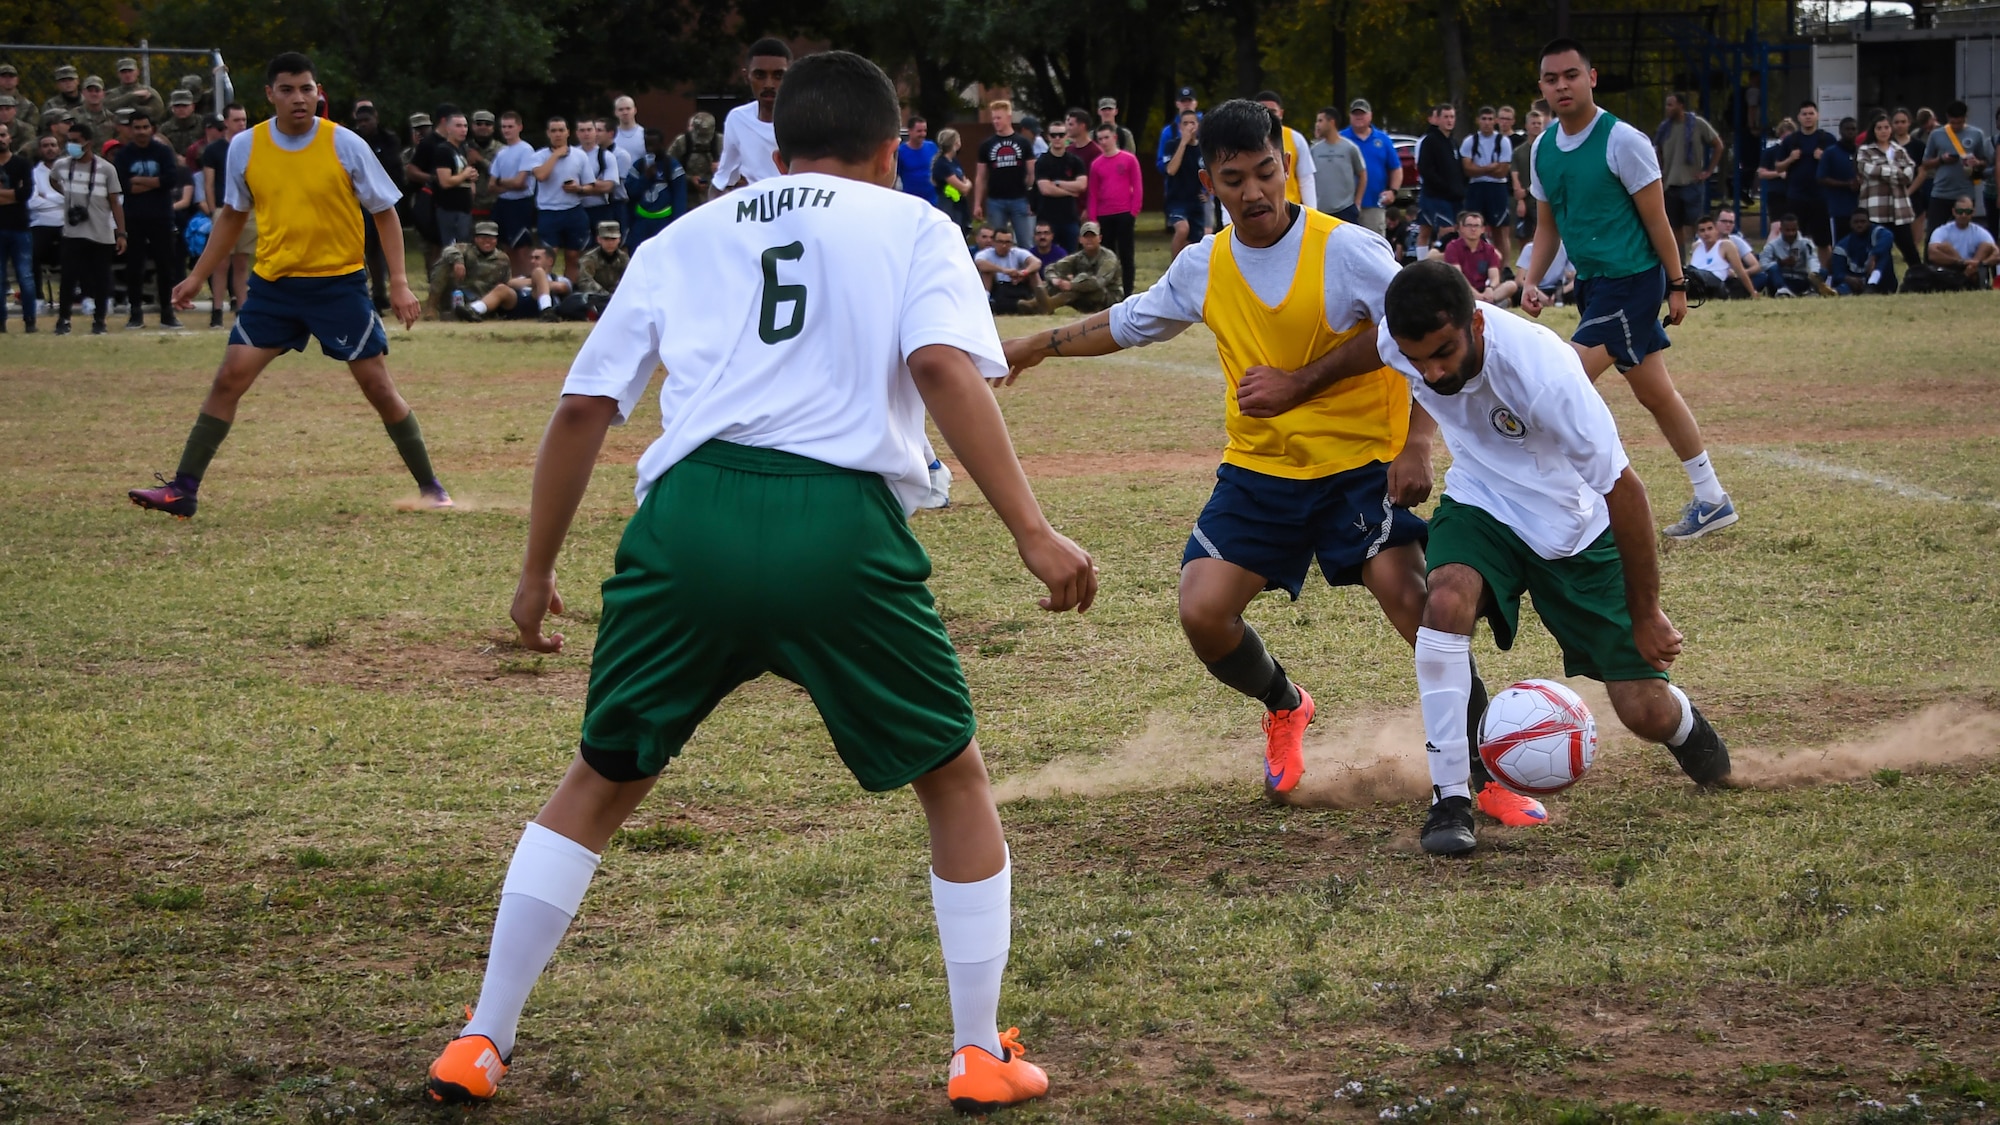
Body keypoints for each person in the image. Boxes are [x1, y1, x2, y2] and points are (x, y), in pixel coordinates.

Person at [423, 51, 1084, 1116]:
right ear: (889, 151)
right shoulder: (913, 223)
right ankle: (976, 1052)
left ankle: (478, 1037)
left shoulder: (681, 237)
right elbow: (942, 368)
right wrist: (1032, 531)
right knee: (952, 780)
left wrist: (535, 569)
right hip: (836, 529)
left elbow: (585, 409)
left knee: (600, 778)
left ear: (772, 153)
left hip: (686, 522)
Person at [996, 99, 1446, 809]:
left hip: (1363, 464)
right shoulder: (1203, 265)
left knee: (1411, 599)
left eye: (1267, 172)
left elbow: (1422, 331)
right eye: (1235, 179)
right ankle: (1286, 702)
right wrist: (1029, 347)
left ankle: (1475, 762)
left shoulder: (1349, 250)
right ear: (1211, 183)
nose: (1255, 192)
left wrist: (1419, 441)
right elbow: (1127, 321)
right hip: (1262, 471)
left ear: (1286, 166)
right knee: (1202, 611)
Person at [1378, 260, 1730, 857]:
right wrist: (1417, 443)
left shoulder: (1544, 375)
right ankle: (1451, 797)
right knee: (1444, 603)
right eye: (1420, 359)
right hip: (1483, 501)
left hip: (1574, 526)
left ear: (1478, 324)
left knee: (1644, 712)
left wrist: (1647, 613)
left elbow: (1627, 492)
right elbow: (1412, 381)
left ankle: (1690, 733)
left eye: (1444, 352)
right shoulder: (1400, 342)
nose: (1433, 371)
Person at [127, 52, 447, 519]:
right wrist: (197, 276)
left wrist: (399, 282)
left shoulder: (345, 143)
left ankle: (431, 487)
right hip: (274, 288)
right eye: (288, 89)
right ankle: (183, 489)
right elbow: (233, 216)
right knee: (228, 379)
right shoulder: (246, 146)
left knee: (378, 387)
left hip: (338, 287)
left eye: (307, 89)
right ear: (270, 95)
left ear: (318, 92)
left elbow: (384, 213)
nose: (300, 98)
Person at [1521, 38, 1736, 540]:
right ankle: (1712, 499)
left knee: (1561, 386)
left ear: (1591, 77)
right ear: (1542, 88)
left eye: (1571, 75)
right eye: (1552, 79)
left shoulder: (1624, 140)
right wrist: (1532, 279)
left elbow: (1657, 219)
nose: (1562, 85)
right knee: (1656, 394)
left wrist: (1678, 283)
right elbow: (1548, 226)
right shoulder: (1542, 149)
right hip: (1594, 287)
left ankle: (1554, 509)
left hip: (1634, 284)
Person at [113, 111, 186, 328]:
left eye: (145, 127)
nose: (141, 132)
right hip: (134, 217)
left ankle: (167, 312)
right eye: (137, 127)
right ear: (130, 129)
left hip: (161, 216)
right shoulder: (124, 154)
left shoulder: (163, 152)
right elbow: (123, 185)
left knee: (165, 266)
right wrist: (154, 182)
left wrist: (140, 181)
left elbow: (170, 180)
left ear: (152, 128)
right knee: (134, 266)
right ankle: (135, 313)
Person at [52, 123, 126, 335]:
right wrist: (68, 195)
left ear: (88, 142)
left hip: (100, 232)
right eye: (69, 140)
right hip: (72, 232)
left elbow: (115, 202)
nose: (71, 145)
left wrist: (121, 233)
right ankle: (63, 319)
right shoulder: (62, 165)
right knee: (68, 277)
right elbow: (53, 180)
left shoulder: (106, 169)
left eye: (76, 141)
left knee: (101, 278)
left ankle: (99, 320)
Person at [349, 103, 406, 310]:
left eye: (367, 121)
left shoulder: (389, 140)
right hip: (360, 202)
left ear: (376, 119)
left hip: (384, 198)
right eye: (360, 122)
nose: (363, 125)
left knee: (387, 245)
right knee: (369, 247)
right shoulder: (353, 140)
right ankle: (378, 291)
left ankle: (397, 288)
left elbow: (393, 169)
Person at [1653, 92, 1722, 262]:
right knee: (1674, 227)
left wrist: (1708, 171)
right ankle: (1680, 262)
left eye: (1671, 104)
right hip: (1670, 185)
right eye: (1667, 104)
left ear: (1681, 106)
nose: (1667, 108)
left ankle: (1699, 259)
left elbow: (1718, 145)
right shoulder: (1664, 128)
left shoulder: (1697, 124)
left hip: (1692, 183)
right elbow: (1658, 150)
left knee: (1696, 225)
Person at [715, 38, 789, 193]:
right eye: (760, 75)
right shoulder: (737, 119)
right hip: (758, 212)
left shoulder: (809, 119)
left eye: (778, 75)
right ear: (746, 76)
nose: (769, 84)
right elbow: (722, 182)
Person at [201, 103, 253, 325]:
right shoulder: (214, 150)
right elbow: (209, 183)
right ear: (227, 123)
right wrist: (214, 211)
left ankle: (242, 311)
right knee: (221, 263)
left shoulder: (253, 147)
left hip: (249, 210)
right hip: (224, 208)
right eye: (237, 120)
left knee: (242, 263)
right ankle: (217, 311)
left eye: (243, 119)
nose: (241, 124)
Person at [530, 116, 593, 279]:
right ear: (548, 134)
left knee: (573, 257)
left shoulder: (580, 156)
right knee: (547, 257)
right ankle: (546, 294)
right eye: (553, 131)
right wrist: (556, 154)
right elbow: (541, 176)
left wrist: (577, 188)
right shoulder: (539, 156)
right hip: (549, 212)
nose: (557, 134)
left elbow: (590, 185)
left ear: (568, 133)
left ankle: (569, 293)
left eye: (561, 130)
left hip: (573, 210)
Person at [1857, 112, 1921, 271]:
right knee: (1878, 247)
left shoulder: (1899, 150)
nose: (1883, 131)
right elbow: (1868, 170)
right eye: (1879, 128)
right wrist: (1895, 171)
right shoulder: (1865, 150)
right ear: (1874, 130)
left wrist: (1885, 172)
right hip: (1876, 208)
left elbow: (1909, 174)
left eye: (1886, 127)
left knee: (1908, 247)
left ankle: (1920, 276)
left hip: (1898, 207)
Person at [1777, 102, 1838, 265]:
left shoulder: (1828, 139)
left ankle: (1826, 276)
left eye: (1811, 113)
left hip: (1821, 197)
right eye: (1804, 114)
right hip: (1796, 196)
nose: (1808, 117)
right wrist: (1790, 159)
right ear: (1799, 117)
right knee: (1794, 239)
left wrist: (1824, 158)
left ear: (1817, 116)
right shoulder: (1791, 140)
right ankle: (1796, 273)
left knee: (1824, 241)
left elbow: (1838, 166)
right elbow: (1778, 167)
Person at [1084, 123, 1140, 297]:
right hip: (1104, 214)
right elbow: (1093, 193)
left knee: (1126, 254)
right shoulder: (1096, 165)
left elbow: (1137, 186)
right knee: (1107, 255)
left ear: (1114, 138)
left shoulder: (1129, 159)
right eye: (1100, 139)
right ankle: (1109, 291)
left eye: (1106, 137)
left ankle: (1128, 291)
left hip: (1124, 213)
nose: (1104, 142)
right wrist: (1093, 219)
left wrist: (1133, 212)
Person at [1921, 101, 1990, 236]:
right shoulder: (1936, 134)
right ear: (1947, 118)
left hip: (1965, 192)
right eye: (1953, 123)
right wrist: (1941, 159)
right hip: (1940, 192)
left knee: (1963, 233)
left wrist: (1977, 162)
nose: (1956, 126)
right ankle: (1931, 257)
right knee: (1934, 234)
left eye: (1959, 123)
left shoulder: (1976, 134)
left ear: (1965, 117)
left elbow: (1985, 162)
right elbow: (1925, 163)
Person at [973, 99, 1036, 247]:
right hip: (995, 200)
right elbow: (980, 176)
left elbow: (1032, 173)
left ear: (1008, 118)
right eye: (993, 118)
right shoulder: (986, 145)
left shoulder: (1023, 143)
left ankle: (1027, 270)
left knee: (1025, 242)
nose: (995, 121)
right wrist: (977, 204)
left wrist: (1031, 199)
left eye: (999, 118)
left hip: (1019, 199)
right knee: (996, 243)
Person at [1459, 106, 1514, 259]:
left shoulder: (1503, 141)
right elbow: (1467, 169)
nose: (1487, 123)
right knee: (1471, 228)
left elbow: (1503, 171)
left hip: (1497, 189)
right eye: (1484, 119)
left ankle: (1504, 268)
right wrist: (1490, 167)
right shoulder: (1470, 141)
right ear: (1478, 120)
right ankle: (1472, 265)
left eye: (1490, 119)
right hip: (1476, 188)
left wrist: (1479, 168)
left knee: (1500, 230)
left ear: (1495, 121)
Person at [1342, 98, 1403, 236]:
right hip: (1345, 205)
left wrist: (1393, 191)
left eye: (1362, 113)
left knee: (1374, 245)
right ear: (1350, 116)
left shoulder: (1382, 139)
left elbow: (1396, 168)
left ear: (1370, 115)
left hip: (1374, 203)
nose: (1359, 117)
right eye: (1355, 114)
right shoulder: (1341, 138)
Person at [488, 111, 540, 271]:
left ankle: (527, 282)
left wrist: (500, 182)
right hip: (503, 204)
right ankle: (513, 282)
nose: (506, 130)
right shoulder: (502, 153)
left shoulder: (526, 150)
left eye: (510, 126)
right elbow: (491, 185)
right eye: (503, 127)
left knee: (522, 248)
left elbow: (521, 182)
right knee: (506, 247)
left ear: (519, 127)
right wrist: (504, 183)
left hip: (520, 204)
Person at [1415, 103, 1466, 255]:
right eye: (1446, 117)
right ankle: (1425, 267)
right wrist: (1445, 188)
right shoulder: (1429, 141)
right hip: (1435, 196)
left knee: (1426, 229)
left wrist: (1460, 188)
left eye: (1452, 117)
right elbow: (1425, 170)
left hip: (1454, 197)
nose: (1449, 120)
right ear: (1437, 119)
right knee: (1446, 232)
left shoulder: (1453, 142)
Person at [1038, 220, 1121, 312]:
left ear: (1100, 238)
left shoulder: (1108, 257)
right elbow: (1051, 268)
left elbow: (1098, 283)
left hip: (1109, 297)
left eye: (1092, 236)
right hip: (1085, 296)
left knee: (1082, 279)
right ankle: (1035, 304)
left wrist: (1072, 285)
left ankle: (1051, 304)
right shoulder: (1078, 257)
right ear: (1080, 240)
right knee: (1056, 282)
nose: (1089, 239)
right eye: (1086, 236)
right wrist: (1055, 280)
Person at [434, 220, 513, 317]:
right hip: (461, 293)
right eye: (482, 237)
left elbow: (507, 282)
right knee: (444, 263)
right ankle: (431, 306)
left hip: (485, 298)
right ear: (475, 239)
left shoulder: (503, 258)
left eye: (491, 238)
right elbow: (448, 250)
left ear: (496, 240)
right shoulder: (465, 249)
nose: (487, 241)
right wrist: (458, 261)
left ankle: (474, 311)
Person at [1437, 210, 1517, 305]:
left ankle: (1485, 303)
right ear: (1462, 228)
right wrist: (1477, 295)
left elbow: (1494, 276)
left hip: (1484, 290)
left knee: (1511, 285)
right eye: (1469, 225)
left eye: (1476, 226)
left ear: (1483, 229)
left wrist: (1490, 288)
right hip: (1462, 289)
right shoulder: (1452, 247)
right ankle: (1489, 304)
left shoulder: (1489, 249)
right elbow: (1458, 276)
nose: (1473, 229)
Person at [424, 111, 478, 249]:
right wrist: (465, 174)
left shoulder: (461, 150)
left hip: (464, 208)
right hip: (450, 209)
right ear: (448, 128)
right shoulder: (443, 151)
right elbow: (445, 181)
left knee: (465, 249)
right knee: (453, 251)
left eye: (465, 126)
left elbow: (461, 175)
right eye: (458, 126)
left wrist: (471, 177)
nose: (463, 130)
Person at [622, 128, 684, 248]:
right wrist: (645, 178)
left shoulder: (672, 166)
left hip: (664, 221)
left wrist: (676, 224)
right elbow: (630, 192)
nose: (650, 149)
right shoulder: (639, 165)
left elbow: (680, 197)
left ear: (662, 144)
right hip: (641, 222)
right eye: (647, 145)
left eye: (653, 145)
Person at [0, 123, 35, 332]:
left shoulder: (22, 164)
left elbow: (25, 194)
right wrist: (13, 194)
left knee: (25, 276)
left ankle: (30, 320)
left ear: (10, 138)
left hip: (20, 228)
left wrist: (12, 195)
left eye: (3, 135)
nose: (0, 139)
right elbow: (17, 194)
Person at [1254, 91, 1315, 211]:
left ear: (1281, 113)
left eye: (1272, 112)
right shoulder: (1241, 140)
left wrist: (1312, 213)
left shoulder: (1295, 139)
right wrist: (1228, 220)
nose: (1268, 116)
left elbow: (1306, 180)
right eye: (1262, 111)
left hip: (1290, 211)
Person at [1031, 128, 1086, 255]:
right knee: (1047, 255)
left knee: (1071, 256)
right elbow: (1045, 189)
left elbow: (1082, 185)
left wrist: (1056, 183)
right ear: (1048, 137)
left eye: (1061, 135)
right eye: (1053, 135)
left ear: (1067, 136)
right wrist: (1070, 192)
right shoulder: (1042, 161)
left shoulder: (1075, 161)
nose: (1057, 138)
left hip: (1070, 218)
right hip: (1047, 219)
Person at [1161, 108, 1207, 260]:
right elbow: (1171, 170)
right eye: (1185, 124)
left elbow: (1212, 173)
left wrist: (1209, 193)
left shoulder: (1204, 149)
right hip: (1177, 200)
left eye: (1192, 123)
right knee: (1182, 229)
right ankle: (1173, 269)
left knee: (1194, 243)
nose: (1189, 127)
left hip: (1196, 201)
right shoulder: (1171, 145)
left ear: (1198, 126)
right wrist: (1183, 143)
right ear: (1180, 127)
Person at [1310, 105, 1367, 222]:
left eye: (1320, 121)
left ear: (1331, 122)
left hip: (1345, 209)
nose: (1317, 125)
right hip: (1321, 211)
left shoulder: (1350, 148)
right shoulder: (1314, 150)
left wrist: (1357, 202)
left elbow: (1362, 175)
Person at [1927, 195, 1999, 283]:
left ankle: (1967, 276)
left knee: (1986, 246)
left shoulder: (1980, 232)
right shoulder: (1942, 230)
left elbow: (1997, 254)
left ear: (1973, 212)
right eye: (1960, 211)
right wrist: (1961, 262)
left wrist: (1980, 264)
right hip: (1951, 270)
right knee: (1945, 247)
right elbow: (1932, 254)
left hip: (1974, 272)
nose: (1963, 215)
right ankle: (1962, 276)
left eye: (1967, 212)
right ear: (1954, 212)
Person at [29, 131, 64, 316]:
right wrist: (60, 198)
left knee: (79, 251)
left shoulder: (69, 170)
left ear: (59, 148)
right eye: (45, 146)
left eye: (53, 145)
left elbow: (74, 199)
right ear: (40, 150)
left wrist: (46, 197)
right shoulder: (33, 173)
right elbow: (32, 202)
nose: (49, 149)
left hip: (66, 223)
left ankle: (80, 297)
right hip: (40, 223)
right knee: (32, 254)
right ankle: (37, 298)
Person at [974, 225, 1042, 313]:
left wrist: (1024, 273)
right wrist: (1004, 270)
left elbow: (1037, 262)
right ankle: (984, 303)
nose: (1004, 245)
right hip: (998, 287)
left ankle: (1042, 300)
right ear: (993, 242)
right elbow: (980, 264)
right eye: (1000, 242)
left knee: (1033, 272)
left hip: (1016, 284)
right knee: (987, 272)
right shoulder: (986, 253)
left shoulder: (1017, 252)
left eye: (1008, 242)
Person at [1688, 214, 1759, 299]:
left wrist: (1752, 292)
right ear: (1698, 234)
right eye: (1702, 231)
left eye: (1710, 229)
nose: (1706, 233)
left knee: (1694, 274)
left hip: (1715, 283)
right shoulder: (1696, 246)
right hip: (1695, 281)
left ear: (1716, 230)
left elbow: (1741, 271)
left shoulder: (1726, 245)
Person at [569, 219, 627, 317]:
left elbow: (628, 279)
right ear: (599, 239)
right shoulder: (589, 258)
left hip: (617, 296)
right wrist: (605, 295)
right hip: (595, 296)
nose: (610, 243)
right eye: (606, 239)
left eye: (613, 239)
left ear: (619, 240)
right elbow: (585, 281)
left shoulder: (624, 258)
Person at [1757, 213, 1825, 296]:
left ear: (1798, 229)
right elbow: (1762, 263)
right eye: (1787, 230)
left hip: (1801, 278)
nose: (1791, 233)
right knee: (1773, 268)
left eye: (1793, 230)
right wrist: (1781, 263)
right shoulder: (1772, 245)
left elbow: (1812, 259)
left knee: (1823, 271)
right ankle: (1783, 290)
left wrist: (1814, 273)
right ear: (1781, 229)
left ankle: (1811, 290)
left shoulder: (1805, 243)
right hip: (1782, 278)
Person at [1831, 209, 1897, 294]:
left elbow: (1889, 236)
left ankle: (1872, 284)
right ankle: (1835, 292)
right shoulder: (1842, 245)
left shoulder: (1877, 232)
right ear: (1850, 224)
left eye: (1863, 222)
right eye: (1856, 222)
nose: (1859, 225)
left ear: (1869, 222)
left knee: (1884, 254)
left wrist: (1874, 256)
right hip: (1859, 281)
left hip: (1883, 281)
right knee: (1846, 286)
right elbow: (1838, 273)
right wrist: (1848, 278)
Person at [1818, 116, 1861, 239]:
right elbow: (1821, 178)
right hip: (1838, 209)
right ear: (1840, 131)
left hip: (1859, 209)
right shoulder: (1831, 152)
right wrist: (1846, 184)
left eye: (1853, 129)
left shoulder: (1861, 152)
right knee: (1840, 244)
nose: (1850, 132)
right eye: (1847, 129)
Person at [1509, 105, 1546, 244]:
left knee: (1543, 235)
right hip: (1524, 201)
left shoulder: (1547, 149)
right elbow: (1514, 175)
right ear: (1526, 125)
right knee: (1522, 236)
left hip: (1541, 200)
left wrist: (1528, 190)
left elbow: (1545, 174)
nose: (1536, 126)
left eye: (1539, 123)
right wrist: (1520, 199)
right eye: (1533, 123)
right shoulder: (1518, 151)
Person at [668, 112, 722, 207]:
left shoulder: (722, 142)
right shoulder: (682, 142)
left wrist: (721, 167)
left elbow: (738, 170)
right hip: (687, 199)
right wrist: (689, 179)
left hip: (714, 199)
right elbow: (668, 168)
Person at [1757, 117, 1795, 239]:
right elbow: (1761, 173)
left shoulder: (1796, 153)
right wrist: (1778, 173)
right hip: (1776, 193)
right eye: (1785, 136)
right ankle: (1767, 255)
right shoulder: (1771, 151)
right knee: (1777, 227)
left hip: (1794, 193)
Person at [931, 127, 970, 231]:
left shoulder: (954, 161)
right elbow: (963, 187)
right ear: (955, 143)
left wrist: (966, 185)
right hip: (948, 206)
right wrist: (967, 185)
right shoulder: (942, 164)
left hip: (959, 206)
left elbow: (964, 182)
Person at [1157, 86, 1199, 175]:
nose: (1187, 104)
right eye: (1183, 101)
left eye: (1190, 101)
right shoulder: (1169, 132)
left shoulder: (1206, 128)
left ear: (1196, 103)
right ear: (1177, 104)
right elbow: (1161, 164)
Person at [897, 114, 938, 205]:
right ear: (910, 131)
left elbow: (940, 169)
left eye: (925, 131)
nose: (923, 134)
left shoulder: (932, 147)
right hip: (911, 201)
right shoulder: (901, 151)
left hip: (932, 200)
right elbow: (895, 177)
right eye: (919, 131)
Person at [159, 89, 204, 162]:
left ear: (193, 106)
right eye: (177, 106)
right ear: (172, 108)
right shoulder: (165, 129)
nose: (181, 109)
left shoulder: (202, 124)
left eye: (184, 105)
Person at [0, 64, 41, 137]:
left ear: (17, 80)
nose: (8, 79)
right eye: (4, 76)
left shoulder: (29, 106)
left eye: (11, 76)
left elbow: (32, 131)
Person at [609, 96, 645, 166]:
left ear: (635, 110)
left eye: (628, 108)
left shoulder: (644, 134)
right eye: (621, 110)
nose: (625, 112)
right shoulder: (611, 136)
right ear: (615, 112)